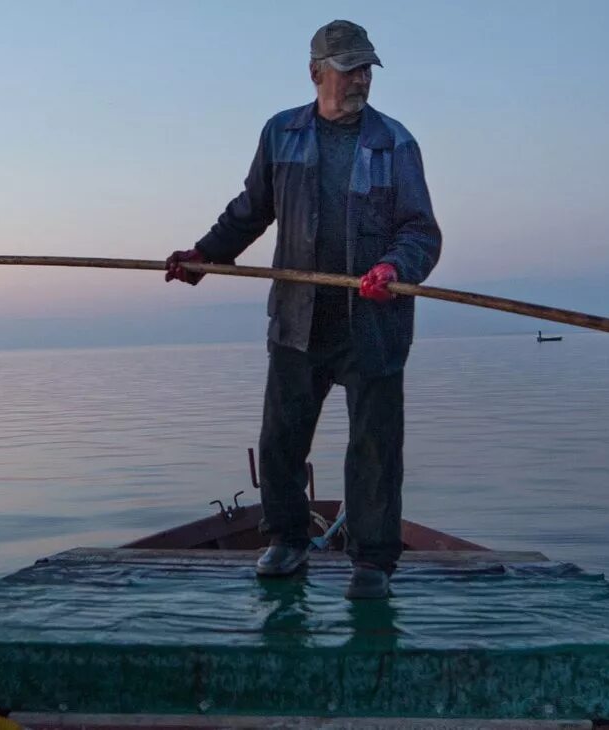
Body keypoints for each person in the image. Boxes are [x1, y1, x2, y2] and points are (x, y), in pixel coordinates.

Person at [165, 20, 441, 599]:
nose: (360, 79)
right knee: (282, 440)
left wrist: (394, 269)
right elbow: (251, 209)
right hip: (298, 319)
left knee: (374, 448)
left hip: (375, 325)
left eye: (366, 68)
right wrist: (205, 255)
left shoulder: (397, 142)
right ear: (316, 73)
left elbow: (420, 231)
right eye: (349, 69)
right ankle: (287, 539)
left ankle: (371, 562)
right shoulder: (280, 133)